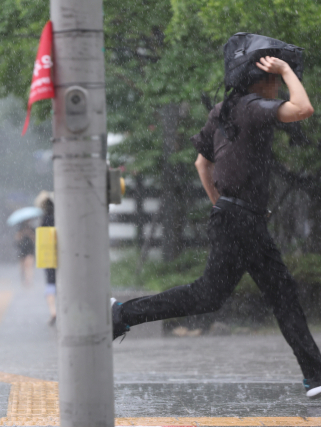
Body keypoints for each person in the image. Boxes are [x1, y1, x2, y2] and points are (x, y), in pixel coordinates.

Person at [111, 52, 321, 399]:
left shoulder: (223, 110)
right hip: (241, 219)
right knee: (234, 295)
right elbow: (303, 108)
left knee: (247, 295)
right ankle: (121, 314)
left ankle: (315, 373)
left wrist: (221, 206)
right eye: (273, 79)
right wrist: (285, 69)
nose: (277, 85)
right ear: (259, 80)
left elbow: (200, 163)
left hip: (237, 217)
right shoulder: (252, 106)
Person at [40, 196, 57, 326]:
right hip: (63, 255)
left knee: (50, 284)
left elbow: (42, 238)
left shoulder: (44, 219)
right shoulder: (61, 218)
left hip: (49, 255)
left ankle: (53, 310)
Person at [15, 221, 35, 287]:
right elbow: (17, 239)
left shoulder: (31, 229)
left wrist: (29, 233)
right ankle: (23, 279)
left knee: (29, 266)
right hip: (22, 250)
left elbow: (35, 239)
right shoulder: (20, 229)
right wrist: (22, 233)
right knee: (22, 267)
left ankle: (28, 280)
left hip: (30, 250)